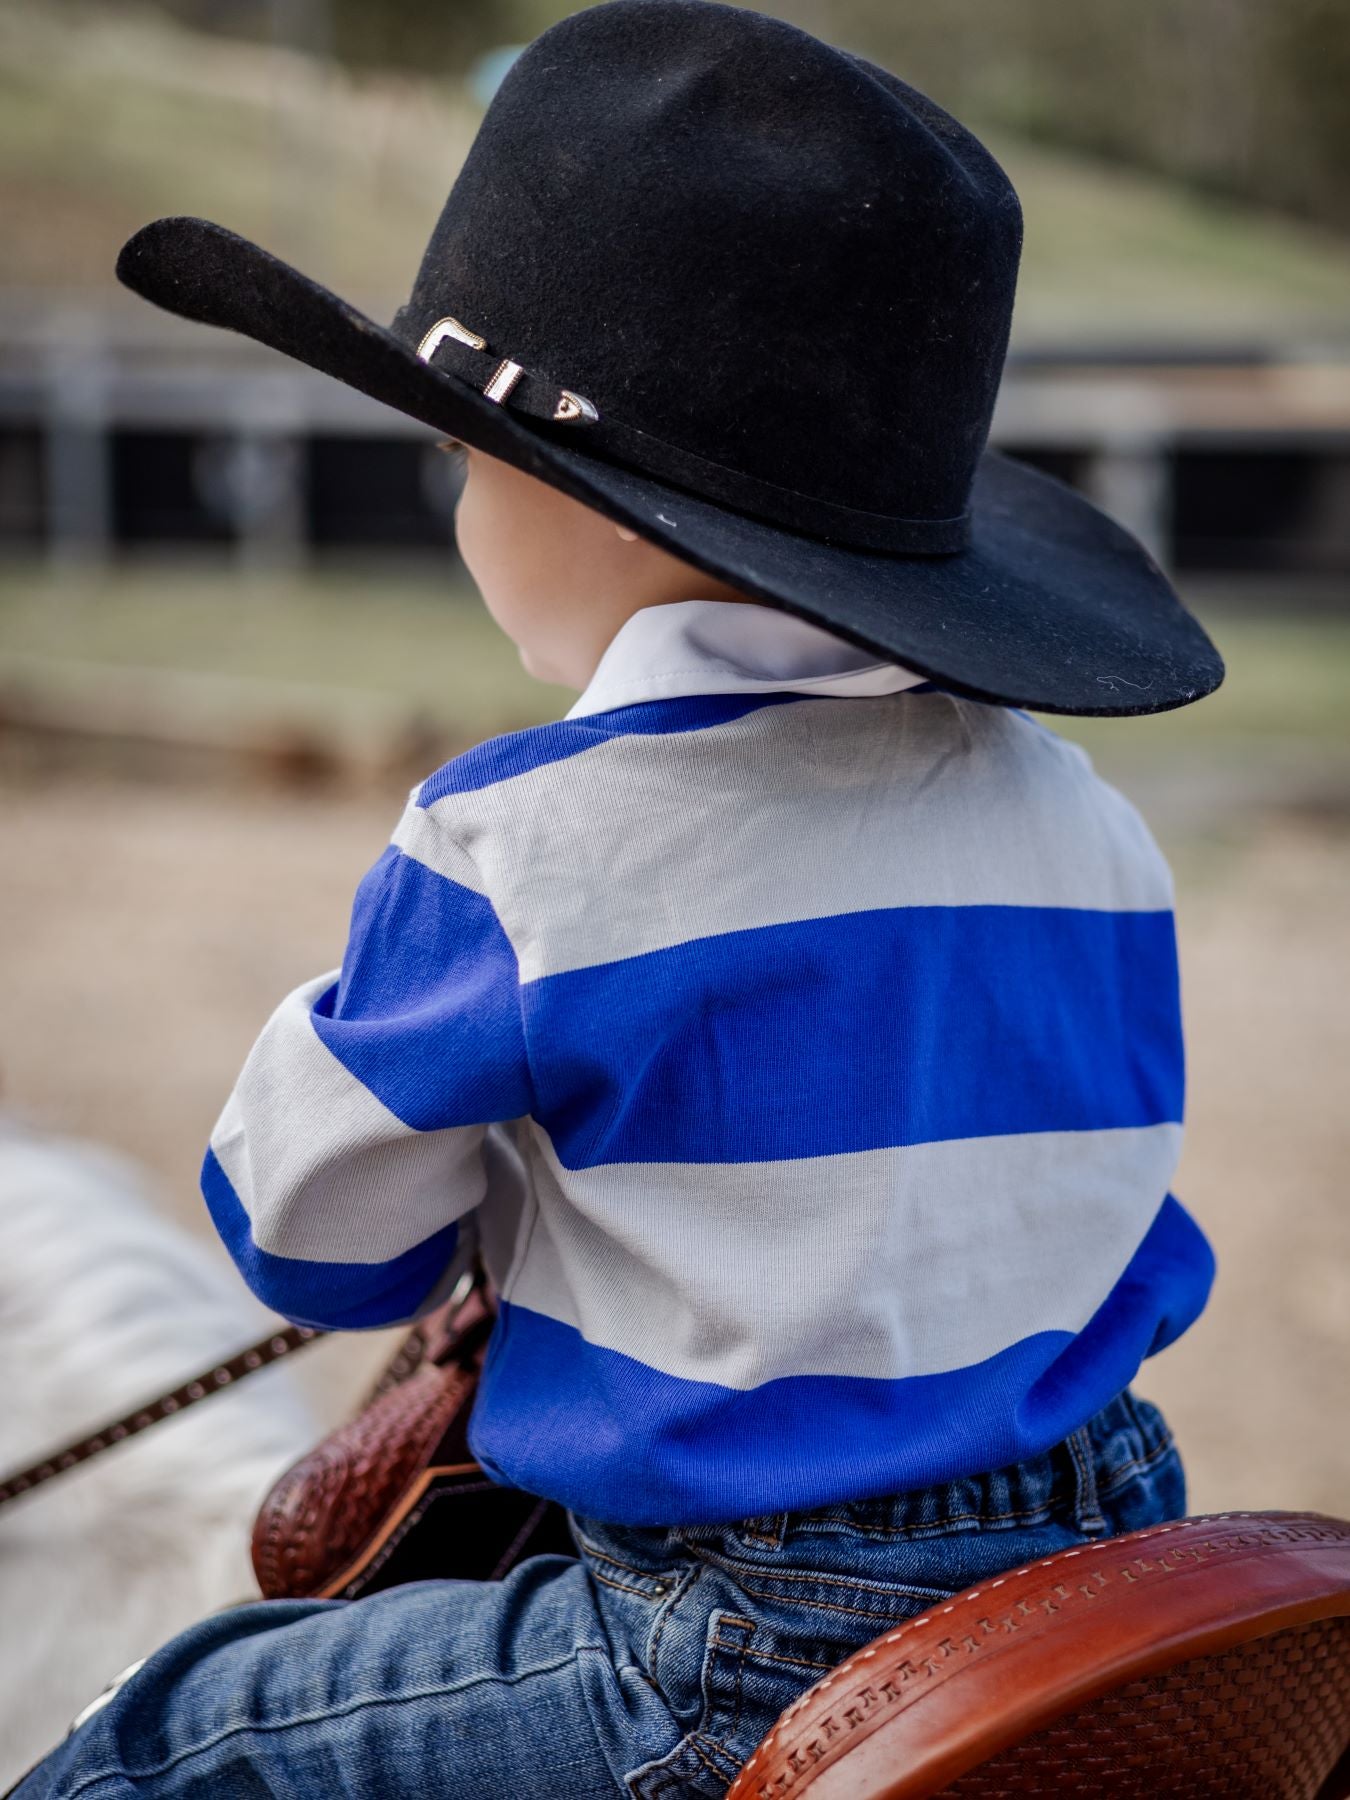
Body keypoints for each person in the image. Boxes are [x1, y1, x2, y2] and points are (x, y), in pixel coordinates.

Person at [18, 1, 1225, 1794]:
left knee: (162, 1747)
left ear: (570, 502)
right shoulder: (1085, 821)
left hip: (738, 1636)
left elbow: (309, 1247)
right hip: (1104, 1523)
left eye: (458, 457)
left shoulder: (514, 849)